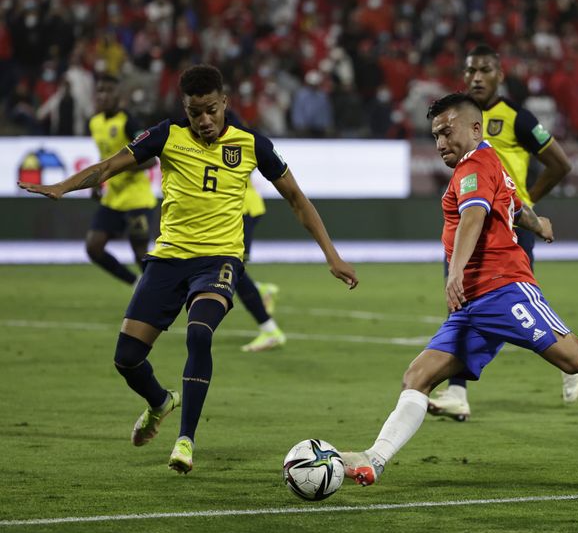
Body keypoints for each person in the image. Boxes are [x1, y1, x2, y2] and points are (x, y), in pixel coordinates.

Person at [340, 93, 578, 487]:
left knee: (576, 358)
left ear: (475, 128)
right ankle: (375, 458)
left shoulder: (474, 167)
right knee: (418, 378)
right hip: (473, 307)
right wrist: (538, 223)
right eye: (435, 135)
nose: (440, 142)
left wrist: (455, 271)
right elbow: (512, 205)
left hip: (504, 290)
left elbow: (474, 216)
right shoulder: (490, 161)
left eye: (447, 131)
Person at [19, 64, 358, 474]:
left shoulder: (253, 145)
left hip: (218, 261)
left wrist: (332, 255)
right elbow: (109, 166)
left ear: (224, 103)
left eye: (211, 110)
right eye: (195, 112)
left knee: (199, 333)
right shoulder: (166, 135)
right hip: (167, 260)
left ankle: (185, 440)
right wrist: (62, 186)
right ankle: (160, 402)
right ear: (185, 107)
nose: (203, 120)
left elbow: (297, 200)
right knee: (126, 358)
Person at [428, 44, 577, 422]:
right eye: (470, 70)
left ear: (500, 75)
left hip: (508, 222)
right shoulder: (456, 119)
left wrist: (525, 202)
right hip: (470, 216)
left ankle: (567, 355)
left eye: (485, 70)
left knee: (510, 300)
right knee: (460, 303)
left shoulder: (518, 118)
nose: (476, 77)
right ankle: (457, 393)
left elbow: (560, 164)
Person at [86, 73, 157, 285]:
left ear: (118, 95)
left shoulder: (128, 122)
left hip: (137, 199)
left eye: (108, 91)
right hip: (113, 198)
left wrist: (118, 169)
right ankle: (135, 283)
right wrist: (97, 181)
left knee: (140, 254)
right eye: (100, 91)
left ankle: (162, 292)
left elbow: (151, 160)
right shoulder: (95, 123)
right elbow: (104, 155)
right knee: (93, 247)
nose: (103, 96)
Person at [237, 179, 285, 352]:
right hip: (226, 208)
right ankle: (259, 290)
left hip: (240, 207)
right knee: (226, 270)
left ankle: (270, 331)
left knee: (233, 270)